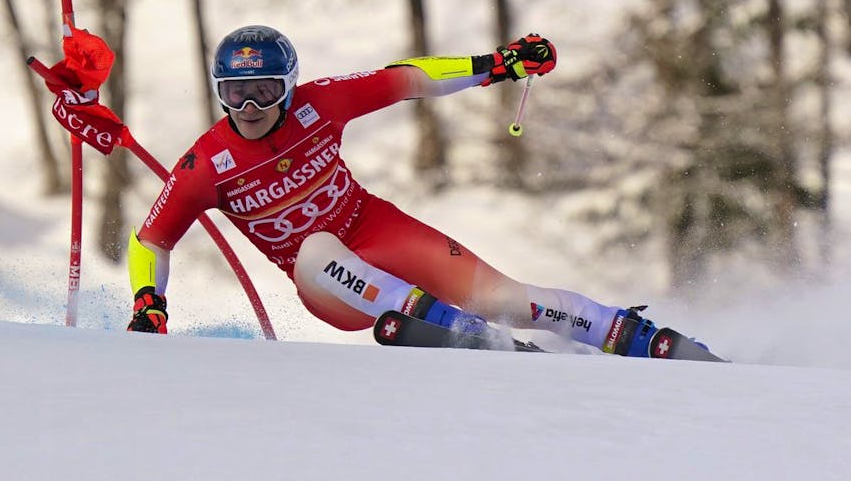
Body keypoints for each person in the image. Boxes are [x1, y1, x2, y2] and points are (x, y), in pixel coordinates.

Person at [113, 24, 693, 358]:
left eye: (263, 91)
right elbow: (150, 239)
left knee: (507, 300)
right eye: (233, 93)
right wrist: (148, 304)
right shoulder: (206, 164)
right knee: (314, 248)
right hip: (329, 286)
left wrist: (498, 64)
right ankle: (437, 321)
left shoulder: (321, 103)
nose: (249, 107)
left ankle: (632, 335)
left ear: (288, 87)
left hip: (376, 230)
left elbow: (411, 78)